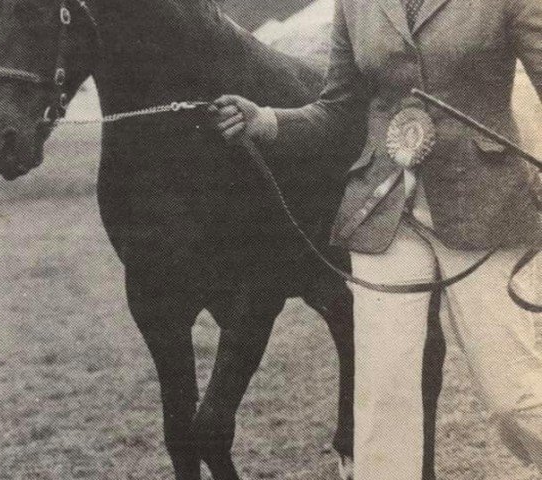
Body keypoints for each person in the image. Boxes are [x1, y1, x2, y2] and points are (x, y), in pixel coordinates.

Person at [210, 0, 542, 479]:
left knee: (515, 398)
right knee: (382, 397)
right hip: (384, 214)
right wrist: (268, 120)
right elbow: (338, 109)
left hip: (485, 205)